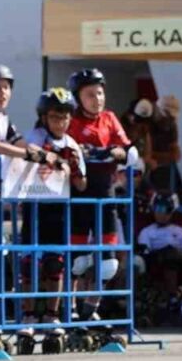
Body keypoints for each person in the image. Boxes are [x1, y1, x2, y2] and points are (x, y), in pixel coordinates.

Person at [19, 87, 86, 350]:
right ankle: (27, 314)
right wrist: (54, 159)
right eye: (56, 116)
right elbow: (25, 157)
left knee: (55, 263)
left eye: (66, 116)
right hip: (34, 205)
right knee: (28, 262)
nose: (62, 122)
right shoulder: (34, 136)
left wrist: (76, 169)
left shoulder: (72, 143)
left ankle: (51, 314)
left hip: (59, 207)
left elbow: (82, 185)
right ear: (44, 117)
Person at [66, 68, 130, 319]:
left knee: (108, 264)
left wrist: (117, 152)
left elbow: (126, 149)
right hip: (78, 193)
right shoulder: (70, 120)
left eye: (100, 93)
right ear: (78, 97)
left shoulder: (110, 118)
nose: (97, 99)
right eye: (90, 94)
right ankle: (69, 308)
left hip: (105, 192)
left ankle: (90, 310)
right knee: (78, 262)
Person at [135, 191, 182, 300]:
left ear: (172, 212)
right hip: (157, 260)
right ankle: (172, 296)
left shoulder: (180, 231)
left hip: (180, 261)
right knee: (169, 256)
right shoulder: (147, 232)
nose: (162, 213)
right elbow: (145, 253)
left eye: (167, 210)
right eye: (158, 209)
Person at [148, 95, 182, 205]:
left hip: (160, 167)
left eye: (171, 118)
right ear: (158, 110)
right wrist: (166, 156)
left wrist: (156, 156)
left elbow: (176, 154)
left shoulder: (171, 125)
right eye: (166, 116)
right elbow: (142, 155)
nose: (168, 121)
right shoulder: (146, 121)